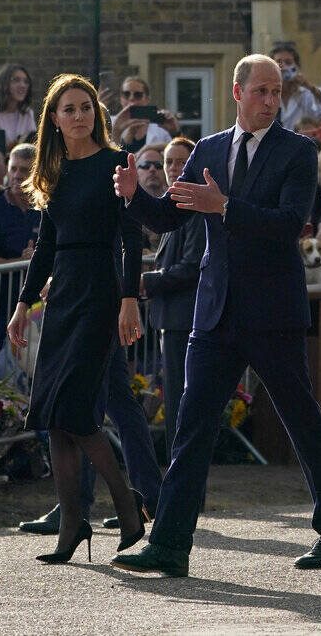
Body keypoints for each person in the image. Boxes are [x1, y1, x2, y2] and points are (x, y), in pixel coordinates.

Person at [110, 53, 321, 577]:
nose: (271, 100)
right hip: (215, 314)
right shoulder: (211, 148)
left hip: (272, 313)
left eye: (277, 92)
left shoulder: (297, 152)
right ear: (237, 93)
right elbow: (170, 216)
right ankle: (171, 545)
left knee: (302, 421)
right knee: (192, 428)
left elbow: (290, 224)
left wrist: (224, 207)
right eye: (261, 91)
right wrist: (134, 200)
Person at [5, 73, 146, 564]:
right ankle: (72, 523)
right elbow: (45, 245)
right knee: (54, 415)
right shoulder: (55, 171)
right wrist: (23, 305)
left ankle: (127, 506)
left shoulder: (116, 164)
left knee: (78, 411)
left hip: (101, 291)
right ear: (55, 119)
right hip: (62, 293)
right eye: (70, 109)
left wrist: (129, 299)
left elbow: (132, 239)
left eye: (86, 106)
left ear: (97, 114)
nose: (81, 115)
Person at [139, 136, 206, 462]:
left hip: (185, 320)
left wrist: (146, 282)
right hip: (172, 319)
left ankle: (183, 483)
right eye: (170, 163)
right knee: (176, 402)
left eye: (181, 162)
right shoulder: (175, 206)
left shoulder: (192, 207)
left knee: (182, 403)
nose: (174, 168)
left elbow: (191, 266)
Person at [270, 43, 321, 131]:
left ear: (296, 67)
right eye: (279, 62)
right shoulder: (268, 96)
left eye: (288, 62)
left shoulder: (307, 94)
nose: (284, 68)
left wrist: (308, 86)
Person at [108, 76, 176, 152]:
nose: (131, 98)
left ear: (147, 99)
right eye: (126, 94)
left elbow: (177, 153)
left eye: (138, 95)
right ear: (121, 99)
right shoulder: (108, 122)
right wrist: (118, 135)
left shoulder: (160, 126)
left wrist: (175, 132)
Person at [0, 63, 37, 150]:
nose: (22, 85)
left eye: (26, 82)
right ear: (4, 83)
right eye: (16, 80)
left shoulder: (27, 113)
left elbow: (31, 147)